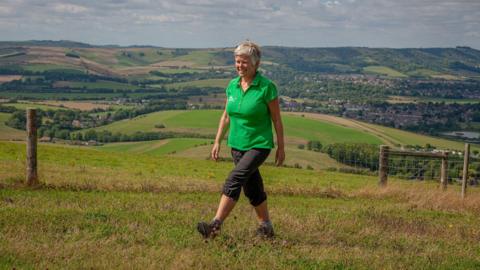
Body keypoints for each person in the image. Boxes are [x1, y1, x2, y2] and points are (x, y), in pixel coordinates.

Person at [197, 41, 285, 239]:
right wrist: (217, 141)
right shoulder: (232, 86)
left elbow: (277, 119)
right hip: (236, 144)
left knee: (234, 179)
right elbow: (226, 116)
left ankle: (215, 226)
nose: (240, 66)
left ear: (256, 64)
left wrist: (281, 147)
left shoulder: (266, 87)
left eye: (245, 62)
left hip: (259, 144)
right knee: (253, 187)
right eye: (237, 61)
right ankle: (266, 228)